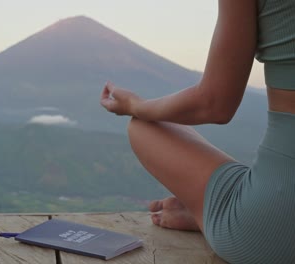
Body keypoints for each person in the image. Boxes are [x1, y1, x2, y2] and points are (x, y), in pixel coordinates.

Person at [100, 0, 295, 263]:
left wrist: (136, 105)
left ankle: (208, 211)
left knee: (143, 126)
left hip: (275, 229)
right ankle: (209, 210)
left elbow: (214, 105)